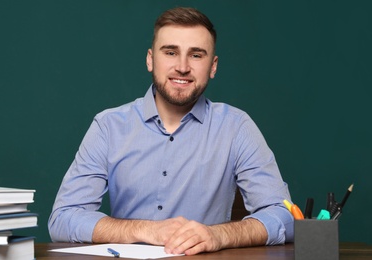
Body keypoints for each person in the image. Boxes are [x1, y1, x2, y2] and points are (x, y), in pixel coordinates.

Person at [48, 6, 294, 256]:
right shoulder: (108, 127)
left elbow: (284, 216)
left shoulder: (237, 127)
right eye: (170, 52)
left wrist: (218, 235)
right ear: (150, 59)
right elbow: (63, 219)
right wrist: (146, 230)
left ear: (213, 66)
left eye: (196, 55)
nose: (182, 67)